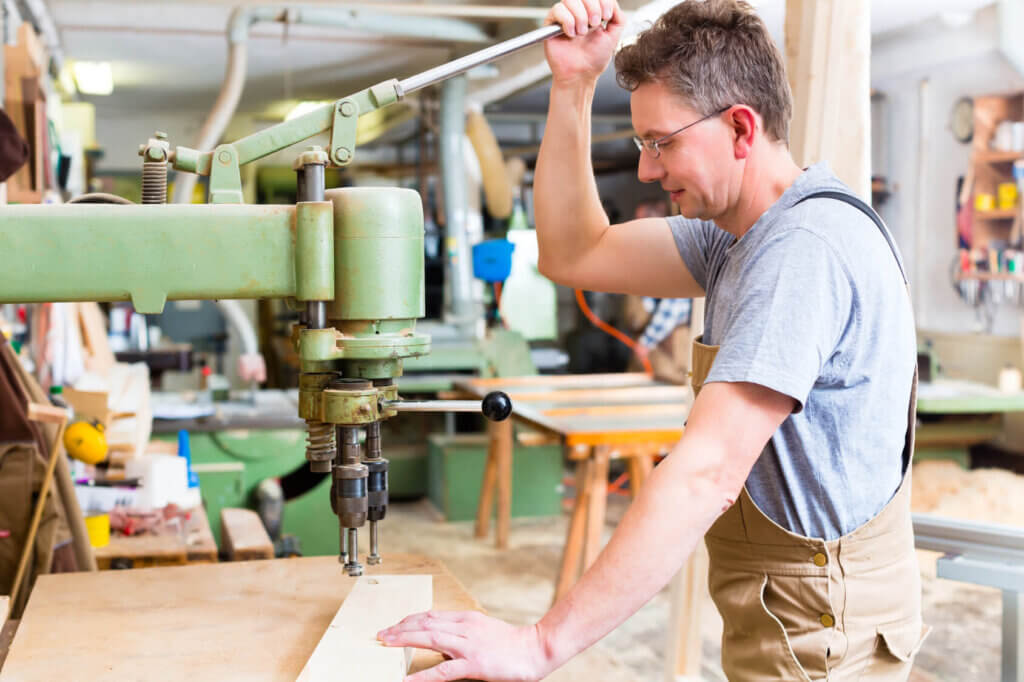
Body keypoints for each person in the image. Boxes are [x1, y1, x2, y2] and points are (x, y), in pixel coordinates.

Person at [379, 1, 925, 680]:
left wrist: (540, 644)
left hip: (823, 634)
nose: (645, 169)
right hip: (789, 613)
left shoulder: (801, 251)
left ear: (740, 128)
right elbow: (575, 251)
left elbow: (705, 473)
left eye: (660, 142)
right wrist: (574, 85)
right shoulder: (736, 238)